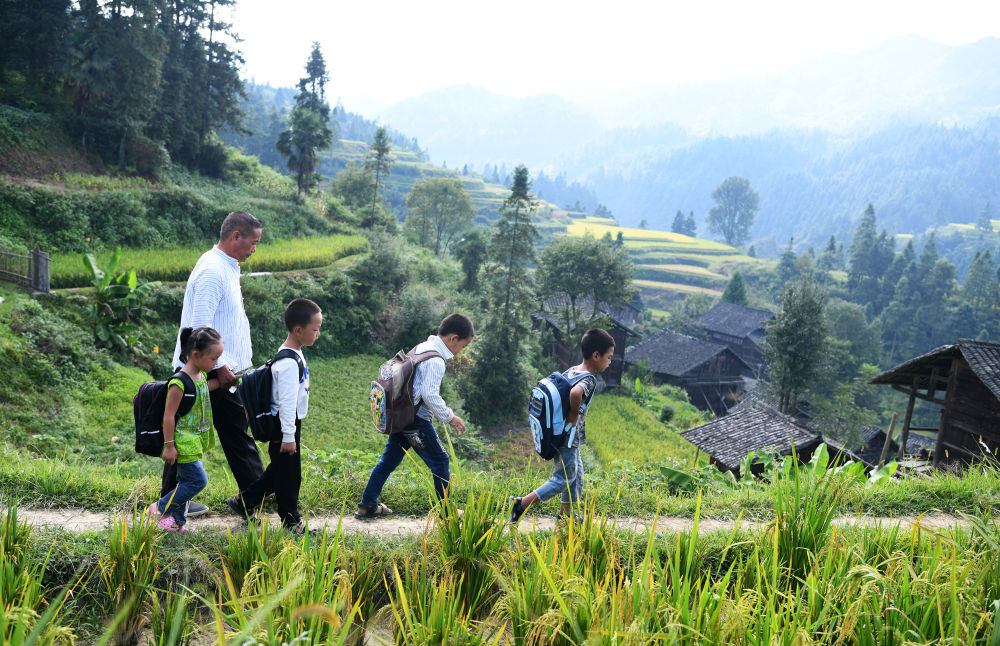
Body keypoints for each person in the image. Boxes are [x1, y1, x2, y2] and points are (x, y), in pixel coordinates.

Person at [162, 211, 264, 517]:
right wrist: (219, 369)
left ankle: (171, 501)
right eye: (253, 242)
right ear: (236, 236)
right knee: (237, 436)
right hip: (212, 373)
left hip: (218, 370)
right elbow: (199, 327)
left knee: (190, 434)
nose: (254, 249)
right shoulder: (212, 270)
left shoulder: (226, 266)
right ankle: (255, 496)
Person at [356, 313, 474, 519]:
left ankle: (367, 505)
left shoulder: (422, 348)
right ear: (453, 338)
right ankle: (447, 513)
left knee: (388, 461)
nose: (459, 352)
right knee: (440, 461)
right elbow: (429, 394)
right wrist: (450, 417)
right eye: (462, 346)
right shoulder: (436, 360)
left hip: (401, 415)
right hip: (416, 420)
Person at [226, 298, 321, 533]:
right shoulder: (289, 362)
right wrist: (289, 436)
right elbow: (287, 403)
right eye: (315, 329)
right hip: (284, 426)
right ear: (298, 330)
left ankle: (244, 501)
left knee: (279, 471)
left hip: (288, 425)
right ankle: (291, 523)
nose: (318, 333)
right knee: (290, 477)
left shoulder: (292, 353)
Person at [509, 328, 616, 525]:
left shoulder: (572, 370)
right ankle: (521, 503)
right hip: (568, 436)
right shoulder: (589, 379)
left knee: (576, 475)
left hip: (561, 434)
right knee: (563, 479)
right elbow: (575, 394)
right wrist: (574, 414)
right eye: (608, 357)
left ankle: (566, 515)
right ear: (596, 355)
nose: (610, 362)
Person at [146, 327, 223, 532]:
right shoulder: (178, 383)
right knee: (198, 481)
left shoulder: (200, 376)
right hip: (182, 440)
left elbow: (204, 389)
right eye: (213, 358)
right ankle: (160, 508)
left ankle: (176, 523)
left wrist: (227, 382)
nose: (216, 363)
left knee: (184, 482)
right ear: (196, 354)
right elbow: (168, 415)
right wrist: (169, 446)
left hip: (194, 439)